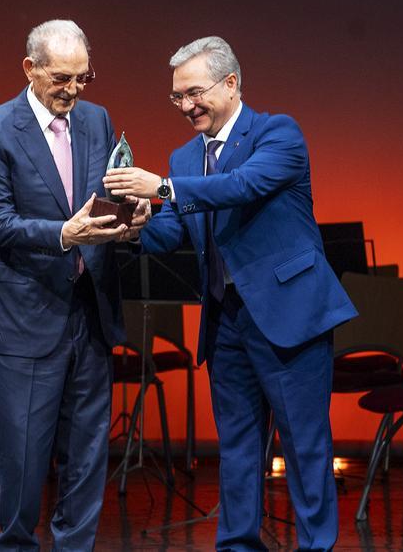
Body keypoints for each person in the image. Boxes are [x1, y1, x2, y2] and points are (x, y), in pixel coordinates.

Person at [104, 36, 356, 551]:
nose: (186, 106)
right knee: (238, 447)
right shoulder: (184, 157)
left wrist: (164, 188)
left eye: (194, 92)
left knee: (304, 444)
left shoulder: (276, 133)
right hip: (226, 319)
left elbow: (242, 186)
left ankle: (316, 546)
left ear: (231, 83)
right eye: (177, 96)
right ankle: (237, 545)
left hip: (289, 314)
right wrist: (131, 223)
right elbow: (171, 231)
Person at [0, 19, 149, 551]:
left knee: (87, 455)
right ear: (30, 69)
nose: (73, 90)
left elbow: (108, 196)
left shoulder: (96, 118)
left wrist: (133, 217)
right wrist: (65, 234)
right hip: (22, 314)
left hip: (89, 313)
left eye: (82, 78)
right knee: (23, 458)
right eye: (61, 78)